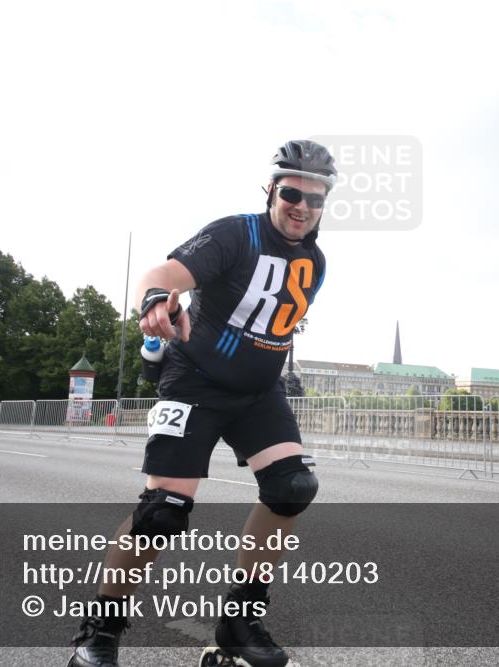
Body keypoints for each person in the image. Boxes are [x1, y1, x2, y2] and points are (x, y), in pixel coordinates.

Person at [68, 140, 335, 667]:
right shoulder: (235, 233)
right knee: (161, 514)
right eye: (291, 193)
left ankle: (239, 621)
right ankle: (100, 631)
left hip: (259, 393)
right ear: (271, 190)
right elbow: (163, 276)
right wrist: (153, 303)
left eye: (315, 197)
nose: (301, 205)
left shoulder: (316, 262)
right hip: (194, 381)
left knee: (292, 487)